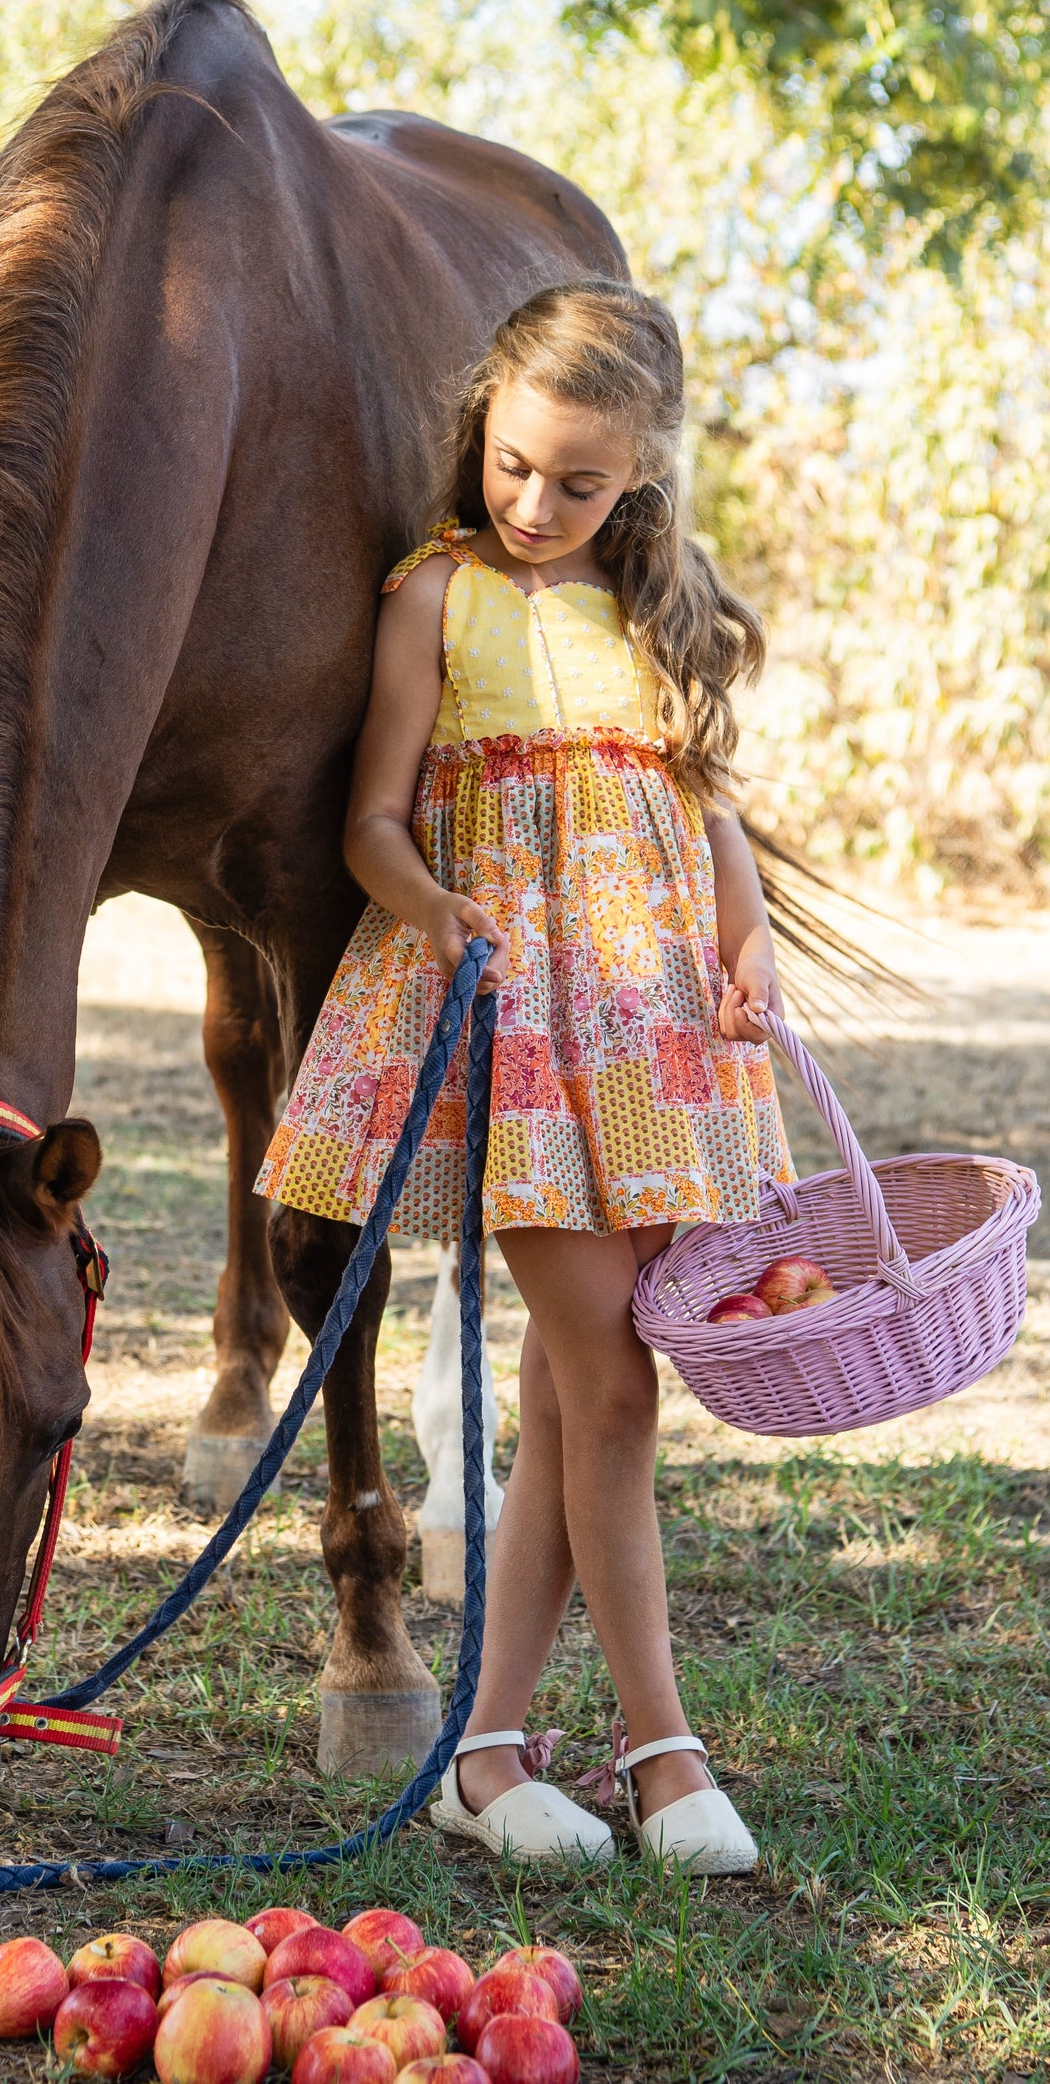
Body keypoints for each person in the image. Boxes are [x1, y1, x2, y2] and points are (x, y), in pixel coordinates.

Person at [255, 279, 793, 1873]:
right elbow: (371, 819)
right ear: (476, 428)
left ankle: (485, 1753)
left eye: (577, 480)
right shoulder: (436, 593)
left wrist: (748, 930)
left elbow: (703, 810)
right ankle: (661, 1744)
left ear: (639, 473)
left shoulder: (655, 607)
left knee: (574, 1394)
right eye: (512, 464)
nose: (536, 504)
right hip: (525, 1028)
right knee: (613, 1384)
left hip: (649, 1032)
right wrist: (440, 909)